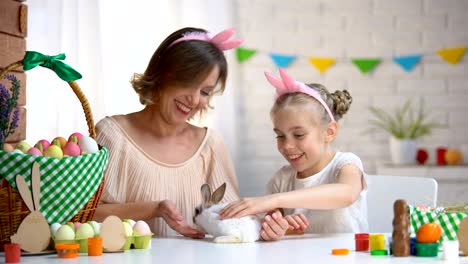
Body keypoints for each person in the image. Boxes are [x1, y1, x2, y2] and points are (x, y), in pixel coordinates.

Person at [93, 27, 246, 238]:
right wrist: (154, 209)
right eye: (188, 83)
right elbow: (83, 216)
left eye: (205, 92)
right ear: (164, 73)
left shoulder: (210, 145)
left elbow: (234, 223)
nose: (194, 100)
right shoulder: (112, 135)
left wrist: (271, 222)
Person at [220, 69, 368, 237]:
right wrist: (281, 230)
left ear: (329, 132)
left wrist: (274, 200)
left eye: (298, 135)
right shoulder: (281, 180)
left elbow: (346, 194)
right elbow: (270, 232)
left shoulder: (346, 165)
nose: (287, 145)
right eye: (280, 136)